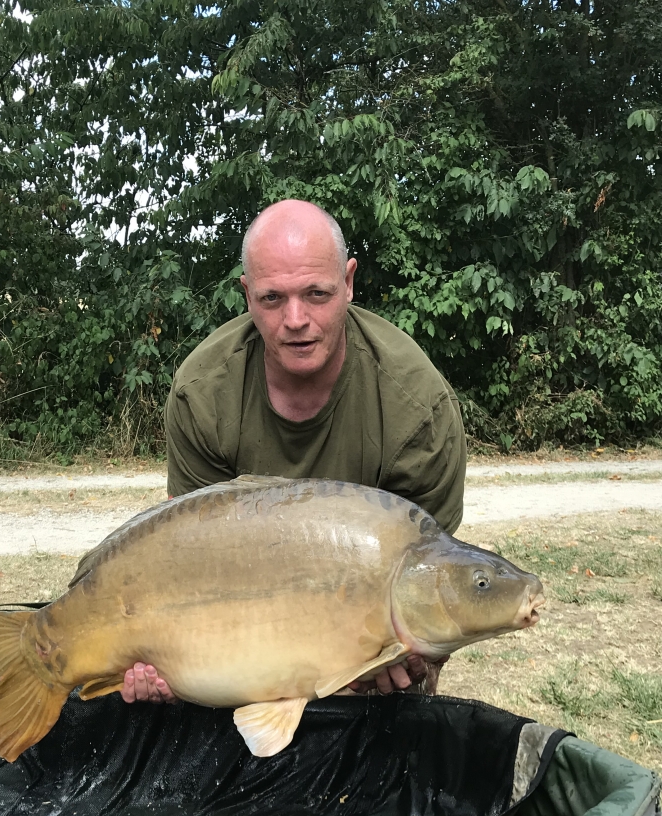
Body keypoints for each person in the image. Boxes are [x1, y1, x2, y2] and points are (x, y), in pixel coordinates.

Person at [121, 199, 466, 706]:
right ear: (246, 296)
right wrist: (178, 669)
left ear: (349, 282)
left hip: (371, 648)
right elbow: (191, 562)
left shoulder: (418, 410)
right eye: (272, 298)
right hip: (248, 631)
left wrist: (419, 661)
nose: (296, 319)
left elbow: (431, 588)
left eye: (317, 293)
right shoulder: (203, 392)